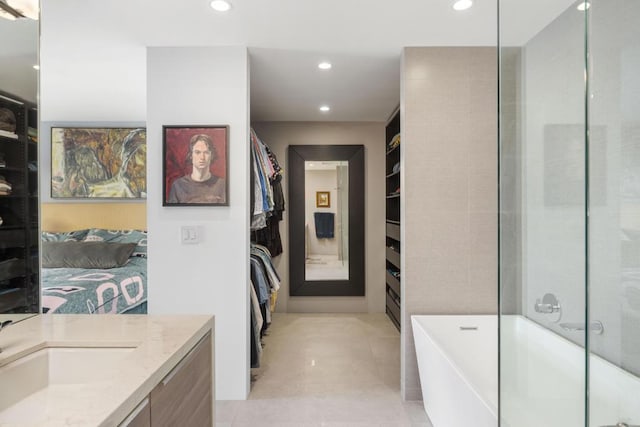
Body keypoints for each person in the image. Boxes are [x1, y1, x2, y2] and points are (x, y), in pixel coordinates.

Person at [168, 134, 226, 204]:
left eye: (206, 152)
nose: (202, 157)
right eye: (197, 152)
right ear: (191, 156)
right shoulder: (178, 186)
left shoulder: (222, 185)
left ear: (212, 156)